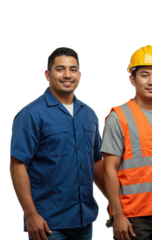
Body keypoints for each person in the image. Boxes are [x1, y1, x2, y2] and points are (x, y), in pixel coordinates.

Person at [8, 46, 106, 240]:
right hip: (47, 224)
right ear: (47, 74)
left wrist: (113, 200)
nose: (67, 75)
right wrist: (30, 215)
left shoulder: (89, 114)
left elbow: (96, 162)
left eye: (72, 69)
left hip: (85, 221)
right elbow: (17, 166)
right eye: (60, 69)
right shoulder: (30, 114)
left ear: (80, 75)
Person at [102, 44, 152, 240]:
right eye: (144, 75)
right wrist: (118, 214)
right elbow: (109, 170)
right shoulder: (118, 117)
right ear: (131, 79)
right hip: (132, 216)